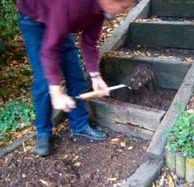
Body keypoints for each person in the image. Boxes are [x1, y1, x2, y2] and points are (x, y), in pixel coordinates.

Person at [16, 0, 133, 156]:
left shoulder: (100, 10)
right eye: (123, 6)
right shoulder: (73, 4)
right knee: (45, 82)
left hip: (59, 22)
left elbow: (89, 42)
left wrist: (96, 76)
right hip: (34, 19)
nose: (122, 11)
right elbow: (51, 49)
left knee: (76, 76)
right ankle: (43, 133)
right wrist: (56, 92)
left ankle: (79, 125)